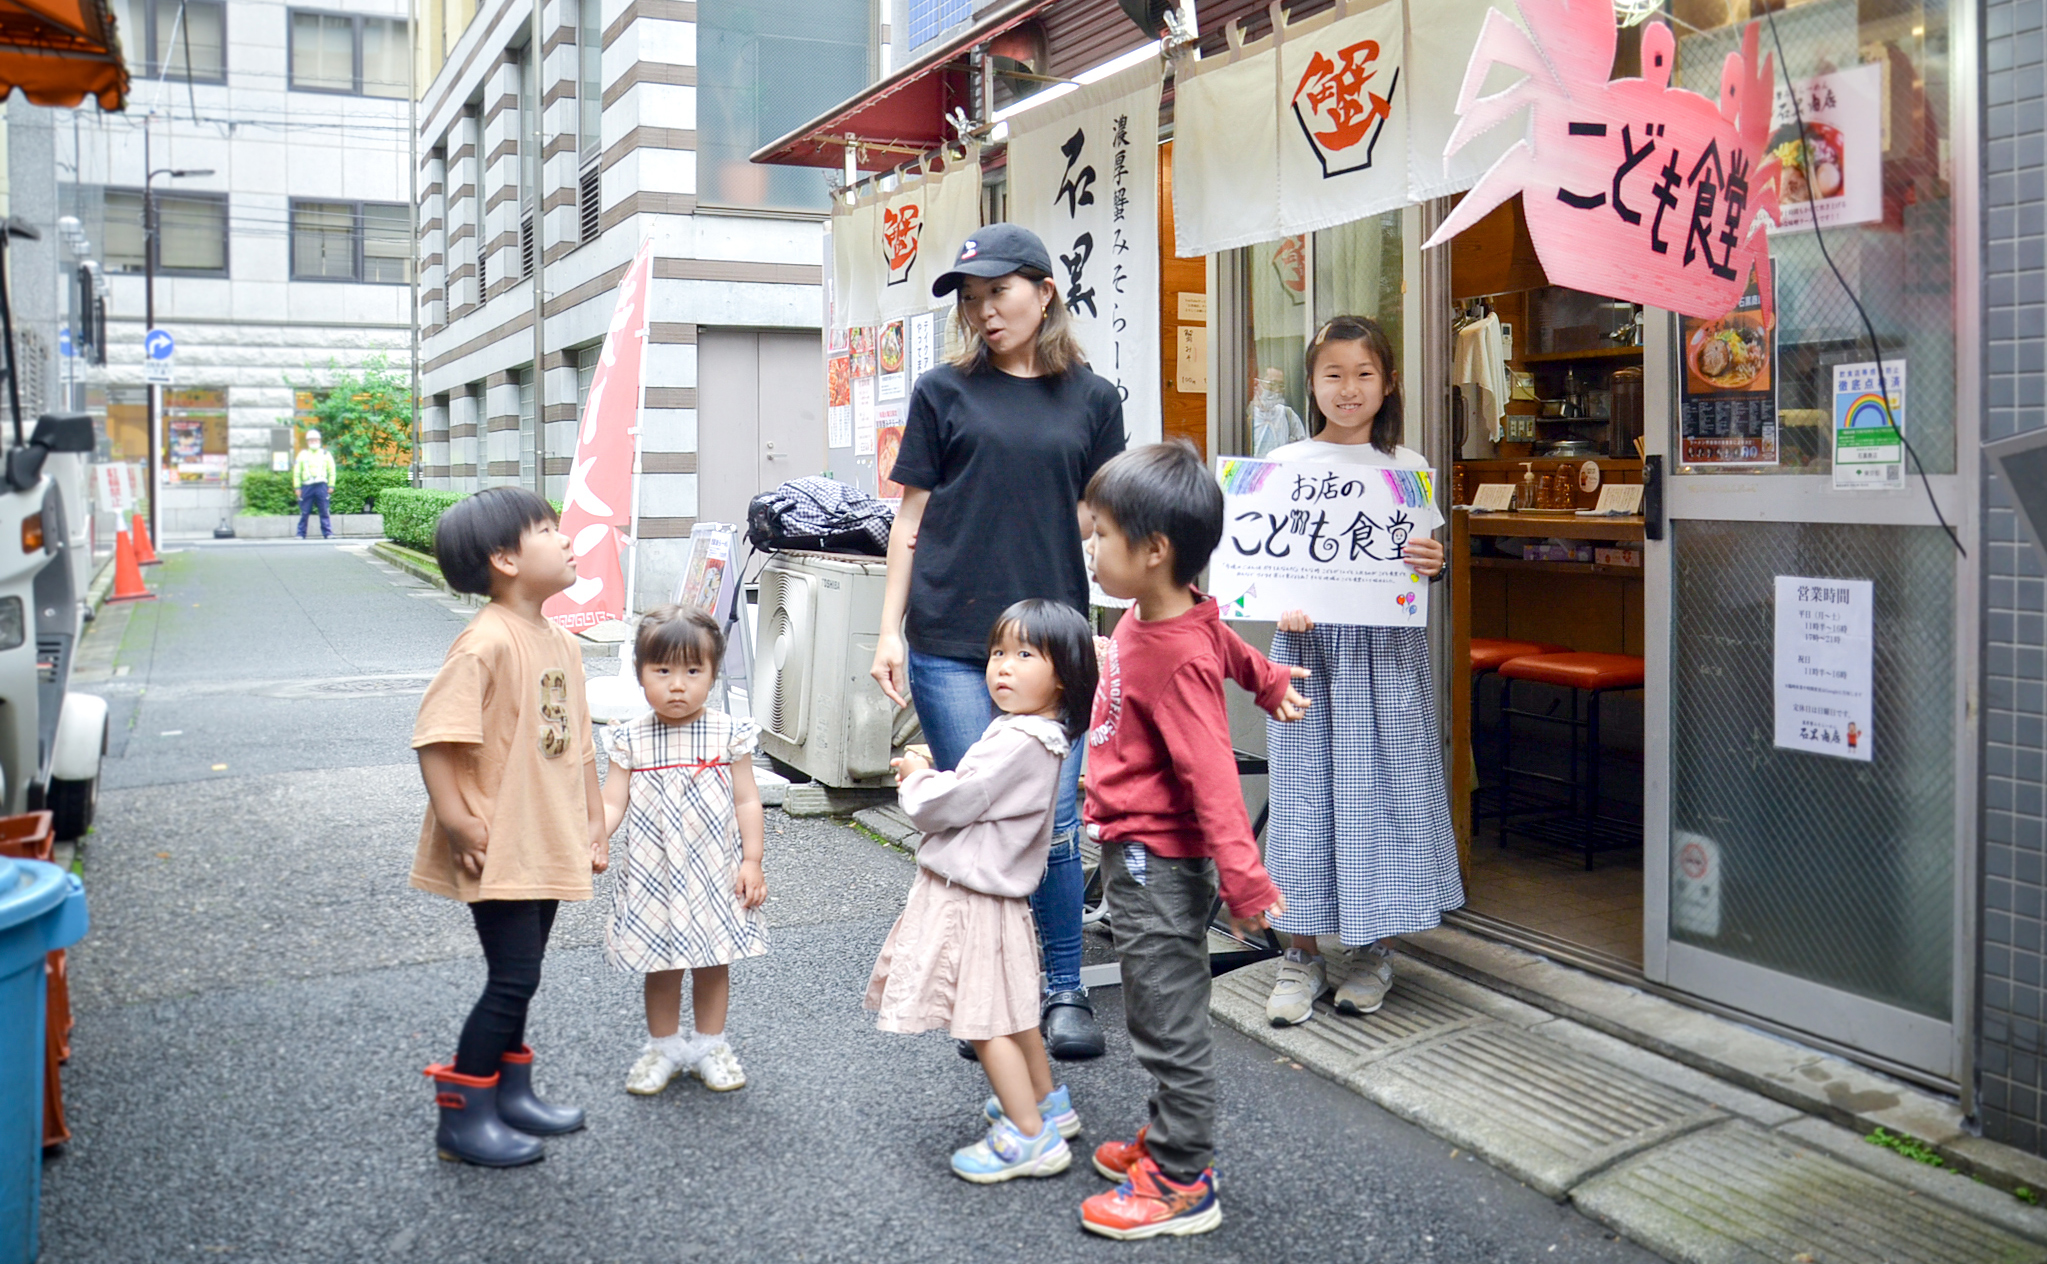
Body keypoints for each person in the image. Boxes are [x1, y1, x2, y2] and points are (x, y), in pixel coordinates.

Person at [870, 223, 1126, 1060]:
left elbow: (1102, 521)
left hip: (1052, 646)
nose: (984, 312)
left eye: (998, 293)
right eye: (971, 299)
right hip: (948, 637)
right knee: (979, 815)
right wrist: (887, 634)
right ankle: (988, 993)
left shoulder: (1093, 399)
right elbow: (908, 519)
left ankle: (1060, 991)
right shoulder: (941, 392)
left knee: (1050, 824)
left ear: (1043, 291)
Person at [1076, 442, 1310, 1240]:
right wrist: (1270, 682)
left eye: (1100, 534)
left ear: (1153, 551)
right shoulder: (1173, 613)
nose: (1091, 548)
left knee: (1166, 1018)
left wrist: (1246, 885)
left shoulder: (1170, 653)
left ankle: (1182, 1179)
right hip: (1142, 853)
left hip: (1154, 864)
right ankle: (1167, 1139)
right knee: (1159, 1006)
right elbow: (1229, 648)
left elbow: (1212, 775)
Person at [1259, 315, 1463, 1028]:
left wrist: (1432, 565)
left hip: (1380, 658)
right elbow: (1257, 564)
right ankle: (1300, 953)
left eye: (1363, 374)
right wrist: (1276, 605)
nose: (1348, 390)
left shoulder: (1403, 470)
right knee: (1304, 794)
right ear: (1311, 383)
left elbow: (1421, 565)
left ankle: (1375, 949)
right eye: (1333, 375)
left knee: (1381, 791)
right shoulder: (1282, 466)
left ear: (1388, 382)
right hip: (1307, 657)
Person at [865, 599, 1100, 1183]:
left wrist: (918, 779)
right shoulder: (1039, 735)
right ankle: (1046, 1104)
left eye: (1025, 654)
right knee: (1014, 1011)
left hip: (970, 897)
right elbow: (977, 790)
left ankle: (1028, 1137)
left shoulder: (1016, 741)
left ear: (1065, 675)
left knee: (981, 1019)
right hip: (1000, 897)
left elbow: (950, 804)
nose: (1002, 666)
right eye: (999, 652)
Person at [412, 487, 608, 1168]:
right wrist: (459, 820)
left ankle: (509, 1091)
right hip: (497, 842)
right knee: (512, 977)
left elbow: (580, 742)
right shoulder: (484, 642)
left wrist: (594, 821)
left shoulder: (559, 639)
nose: (564, 537)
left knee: (523, 973)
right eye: (546, 529)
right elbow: (437, 738)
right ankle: (463, 1118)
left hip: (544, 836)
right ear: (505, 559)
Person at [599, 604, 767, 1096]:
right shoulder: (630, 739)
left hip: (716, 871)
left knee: (714, 960)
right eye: (663, 670)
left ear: (713, 675)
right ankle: (664, 1046)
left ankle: (711, 1043)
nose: (678, 684)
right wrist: (595, 837)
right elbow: (612, 801)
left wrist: (752, 860)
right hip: (655, 872)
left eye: (693, 671)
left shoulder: (727, 733)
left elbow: (747, 799)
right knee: (662, 961)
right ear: (640, 675)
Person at [294, 428, 337, 540]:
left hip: (321, 485)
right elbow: (297, 472)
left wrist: (331, 485)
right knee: (304, 511)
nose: (313, 442)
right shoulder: (302, 455)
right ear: (308, 442)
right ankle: (300, 533)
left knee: (324, 510)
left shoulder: (325, 454)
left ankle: (328, 533)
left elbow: (331, 470)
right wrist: (297, 487)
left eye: (315, 440)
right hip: (306, 486)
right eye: (311, 440)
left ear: (319, 441)